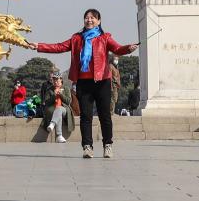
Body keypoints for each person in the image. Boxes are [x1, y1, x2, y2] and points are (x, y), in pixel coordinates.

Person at [35, 9, 137, 158]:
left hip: (102, 81)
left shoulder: (105, 38)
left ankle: (107, 145)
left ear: (99, 21)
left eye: (93, 18)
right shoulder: (77, 39)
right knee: (86, 117)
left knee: (105, 116)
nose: (89, 20)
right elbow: (59, 47)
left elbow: (117, 49)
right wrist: (38, 46)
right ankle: (87, 147)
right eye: (86, 18)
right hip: (83, 82)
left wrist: (128, 48)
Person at [39, 73, 73, 143]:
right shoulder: (49, 89)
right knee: (58, 113)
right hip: (52, 109)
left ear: (61, 80)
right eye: (54, 79)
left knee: (59, 109)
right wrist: (54, 95)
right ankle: (59, 136)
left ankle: (52, 124)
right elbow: (47, 102)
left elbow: (68, 101)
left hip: (64, 109)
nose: (55, 81)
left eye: (57, 79)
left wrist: (61, 94)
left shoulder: (66, 88)